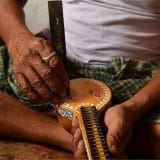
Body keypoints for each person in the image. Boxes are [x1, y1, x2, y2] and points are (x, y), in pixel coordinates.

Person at [0, 0, 160, 159]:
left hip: (141, 80)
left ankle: (95, 131)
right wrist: (18, 41)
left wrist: (133, 108)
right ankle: (73, 139)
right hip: (58, 63)